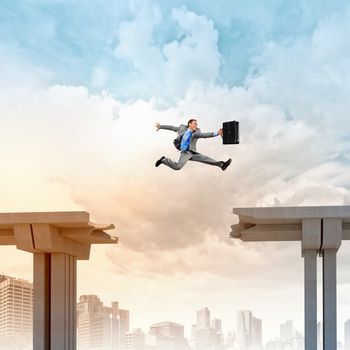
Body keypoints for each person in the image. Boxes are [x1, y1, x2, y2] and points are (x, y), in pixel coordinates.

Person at [155, 118, 232, 171]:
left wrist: (216, 133)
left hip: (193, 152)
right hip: (185, 152)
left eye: (197, 124)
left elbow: (204, 135)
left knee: (206, 159)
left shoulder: (197, 132)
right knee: (177, 167)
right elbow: (172, 128)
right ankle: (163, 160)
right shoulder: (181, 128)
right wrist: (160, 126)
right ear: (189, 124)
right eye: (195, 123)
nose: (196, 125)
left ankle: (222, 165)